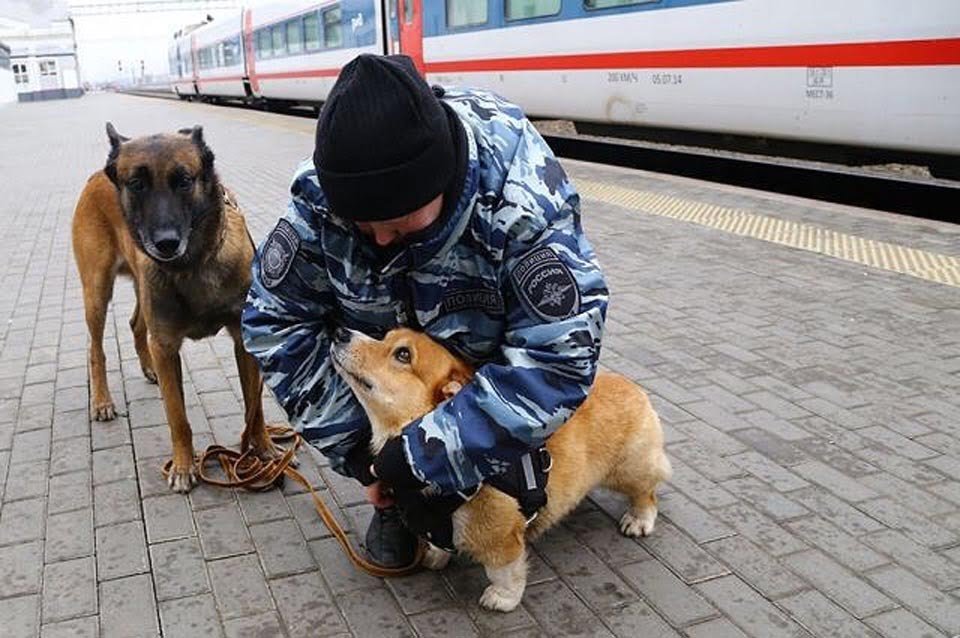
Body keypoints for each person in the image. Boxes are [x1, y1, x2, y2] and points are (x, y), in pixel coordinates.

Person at [242, 54, 608, 568]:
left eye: (399, 221)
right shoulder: (321, 198)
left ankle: (494, 465)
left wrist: (426, 456)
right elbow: (273, 323)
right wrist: (370, 459)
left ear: (440, 178)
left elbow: (558, 357)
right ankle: (401, 498)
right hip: (391, 386)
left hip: (476, 369)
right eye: (364, 226)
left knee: (512, 434)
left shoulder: (521, 199)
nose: (383, 238)